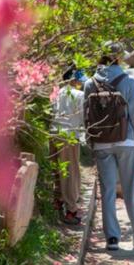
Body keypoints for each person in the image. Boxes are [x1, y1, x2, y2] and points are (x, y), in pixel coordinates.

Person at [83, 42, 134, 250]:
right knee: (132, 190)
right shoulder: (127, 81)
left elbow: (86, 115)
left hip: (101, 142)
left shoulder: (90, 83)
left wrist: (90, 141)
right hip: (125, 141)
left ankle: (112, 238)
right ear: (120, 58)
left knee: (108, 190)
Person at [52, 68, 87, 225]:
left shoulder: (55, 94)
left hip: (53, 134)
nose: (80, 83)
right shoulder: (79, 95)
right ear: (73, 80)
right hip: (69, 136)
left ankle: (58, 200)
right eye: (79, 80)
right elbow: (82, 118)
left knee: (57, 170)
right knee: (71, 173)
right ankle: (71, 210)